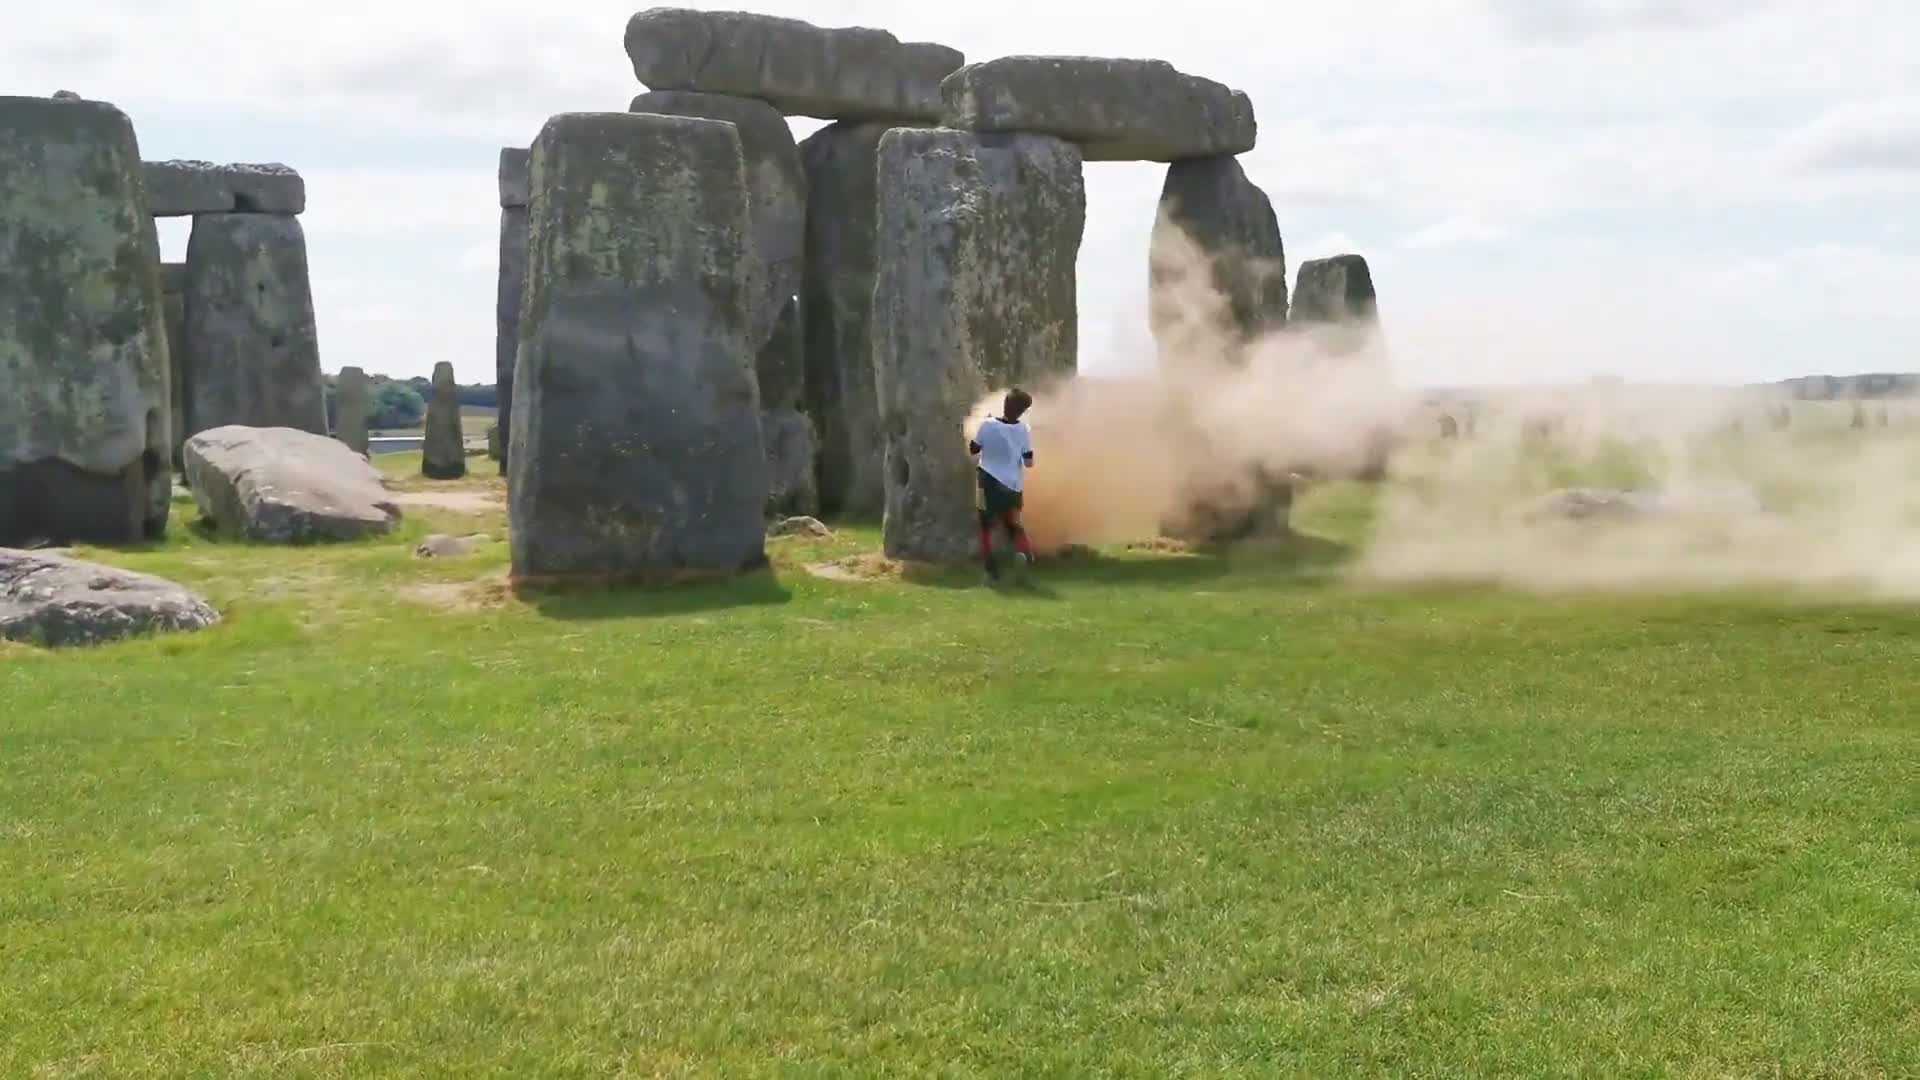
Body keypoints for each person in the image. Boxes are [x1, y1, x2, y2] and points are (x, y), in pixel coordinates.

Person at [968, 388, 1035, 582]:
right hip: (1013, 485)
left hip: (988, 480)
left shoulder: (987, 425)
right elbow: (1029, 462)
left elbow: (973, 450)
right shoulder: (1024, 430)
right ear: (1022, 411)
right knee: (1013, 523)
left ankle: (990, 569)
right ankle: (1024, 553)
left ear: (1005, 404)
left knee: (985, 525)